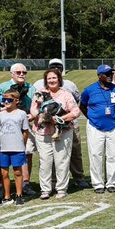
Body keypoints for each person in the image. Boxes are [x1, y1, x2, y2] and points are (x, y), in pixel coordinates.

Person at [0, 64, 36, 188]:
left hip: (23, 124)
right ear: (11, 74)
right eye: (18, 72)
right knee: (1, 154)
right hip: (6, 126)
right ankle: (2, 184)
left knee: (27, 153)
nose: (21, 74)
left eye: (24, 72)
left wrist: (33, 115)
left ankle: (25, 183)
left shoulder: (30, 87)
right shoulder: (3, 86)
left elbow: (37, 103)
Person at [31, 69, 80, 199]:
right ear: (45, 80)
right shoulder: (39, 93)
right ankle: (45, 189)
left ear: (59, 79)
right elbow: (33, 110)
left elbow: (75, 111)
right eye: (49, 78)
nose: (52, 80)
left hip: (63, 131)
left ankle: (61, 189)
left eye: (54, 78)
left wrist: (59, 119)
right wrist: (43, 116)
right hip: (42, 132)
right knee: (45, 161)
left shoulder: (66, 94)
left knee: (61, 161)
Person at [80, 65, 115, 194]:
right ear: (99, 75)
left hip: (113, 125)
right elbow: (82, 105)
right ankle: (98, 183)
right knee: (95, 155)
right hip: (95, 126)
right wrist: (92, 117)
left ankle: (111, 183)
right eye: (107, 74)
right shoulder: (89, 90)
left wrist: (112, 117)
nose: (110, 76)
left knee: (113, 155)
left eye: (111, 73)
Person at [0, 91, 30, 205]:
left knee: (17, 172)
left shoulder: (21, 114)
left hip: (17, 147)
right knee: (4, 173)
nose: (6, 102)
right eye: (4, 100)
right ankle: (7, 195)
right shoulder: (0, 115)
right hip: (3, 148)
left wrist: (22, 144)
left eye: (9, 100)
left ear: (17, 101)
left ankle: (19, 194)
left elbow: (25, 131)